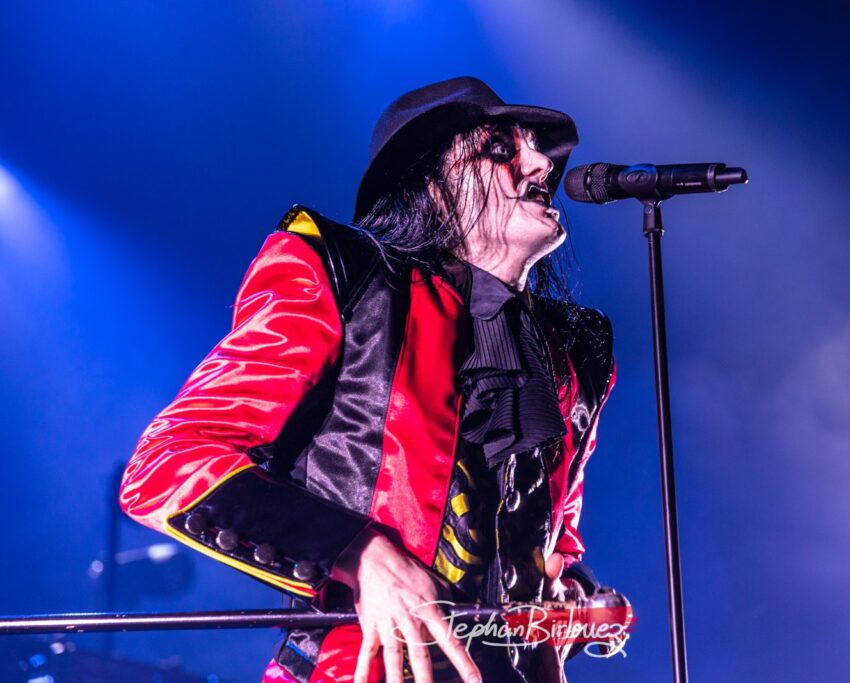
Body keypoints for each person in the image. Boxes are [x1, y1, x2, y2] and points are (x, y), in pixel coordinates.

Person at [119, 76, 616, 683]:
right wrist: (357, 551)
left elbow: (554, 535)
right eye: (499, 148)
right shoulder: (344, 277)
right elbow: (167, 463)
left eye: (536, 150)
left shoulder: (573, 352)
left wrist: (571, 593)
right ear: (433, 183)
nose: (541, 165)